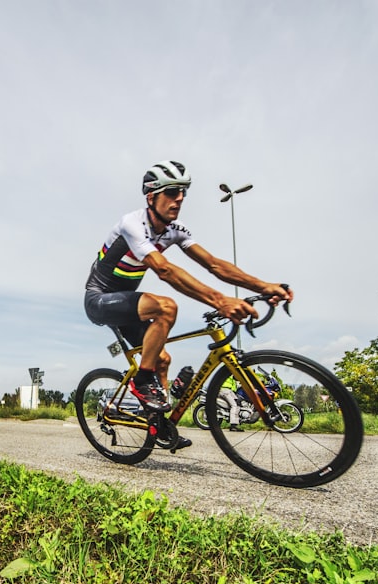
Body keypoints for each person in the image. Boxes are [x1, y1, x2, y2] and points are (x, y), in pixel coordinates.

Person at [83, 160, 293, 446]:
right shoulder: (132, 223)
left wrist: (264, 286)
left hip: (129, 305)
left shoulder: (175, 229)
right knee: (167, 307)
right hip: (99, 299)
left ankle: (159, 428)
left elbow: (215, 265)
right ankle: (142, 382)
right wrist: (220, 301)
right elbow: (164, 270)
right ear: (151, 197)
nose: (179, 198)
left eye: (183, 192)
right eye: (171, 191)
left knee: (163, 359)